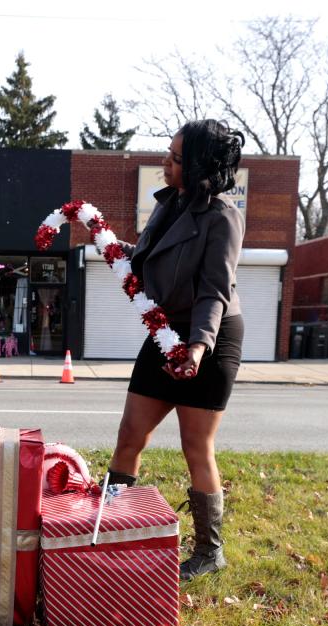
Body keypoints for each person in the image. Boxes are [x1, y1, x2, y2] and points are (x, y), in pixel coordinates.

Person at [100, 119, 246, 580]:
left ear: (200, 165)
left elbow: (215, 291)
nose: (167, 162)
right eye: (169, 152)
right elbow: (151, 258)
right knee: (130, 435)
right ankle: (111, 529)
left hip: (210, 334)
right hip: (164, 329)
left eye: (177, 158)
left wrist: (199, 347)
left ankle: (209, 551)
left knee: (195, 445)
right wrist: (111, 245)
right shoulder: (169, 204)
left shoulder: (222, 216)